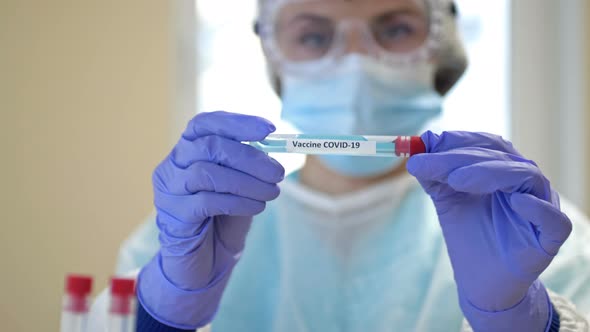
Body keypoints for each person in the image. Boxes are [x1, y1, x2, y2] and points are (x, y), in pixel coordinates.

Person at [89, 0, 590, 331]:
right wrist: (164, 314)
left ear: (442, 43)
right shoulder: (186, 231)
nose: (355, 60)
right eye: (312, 36)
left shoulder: (533, 235)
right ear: (272, 54)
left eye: (394, 29)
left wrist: (527, 321)